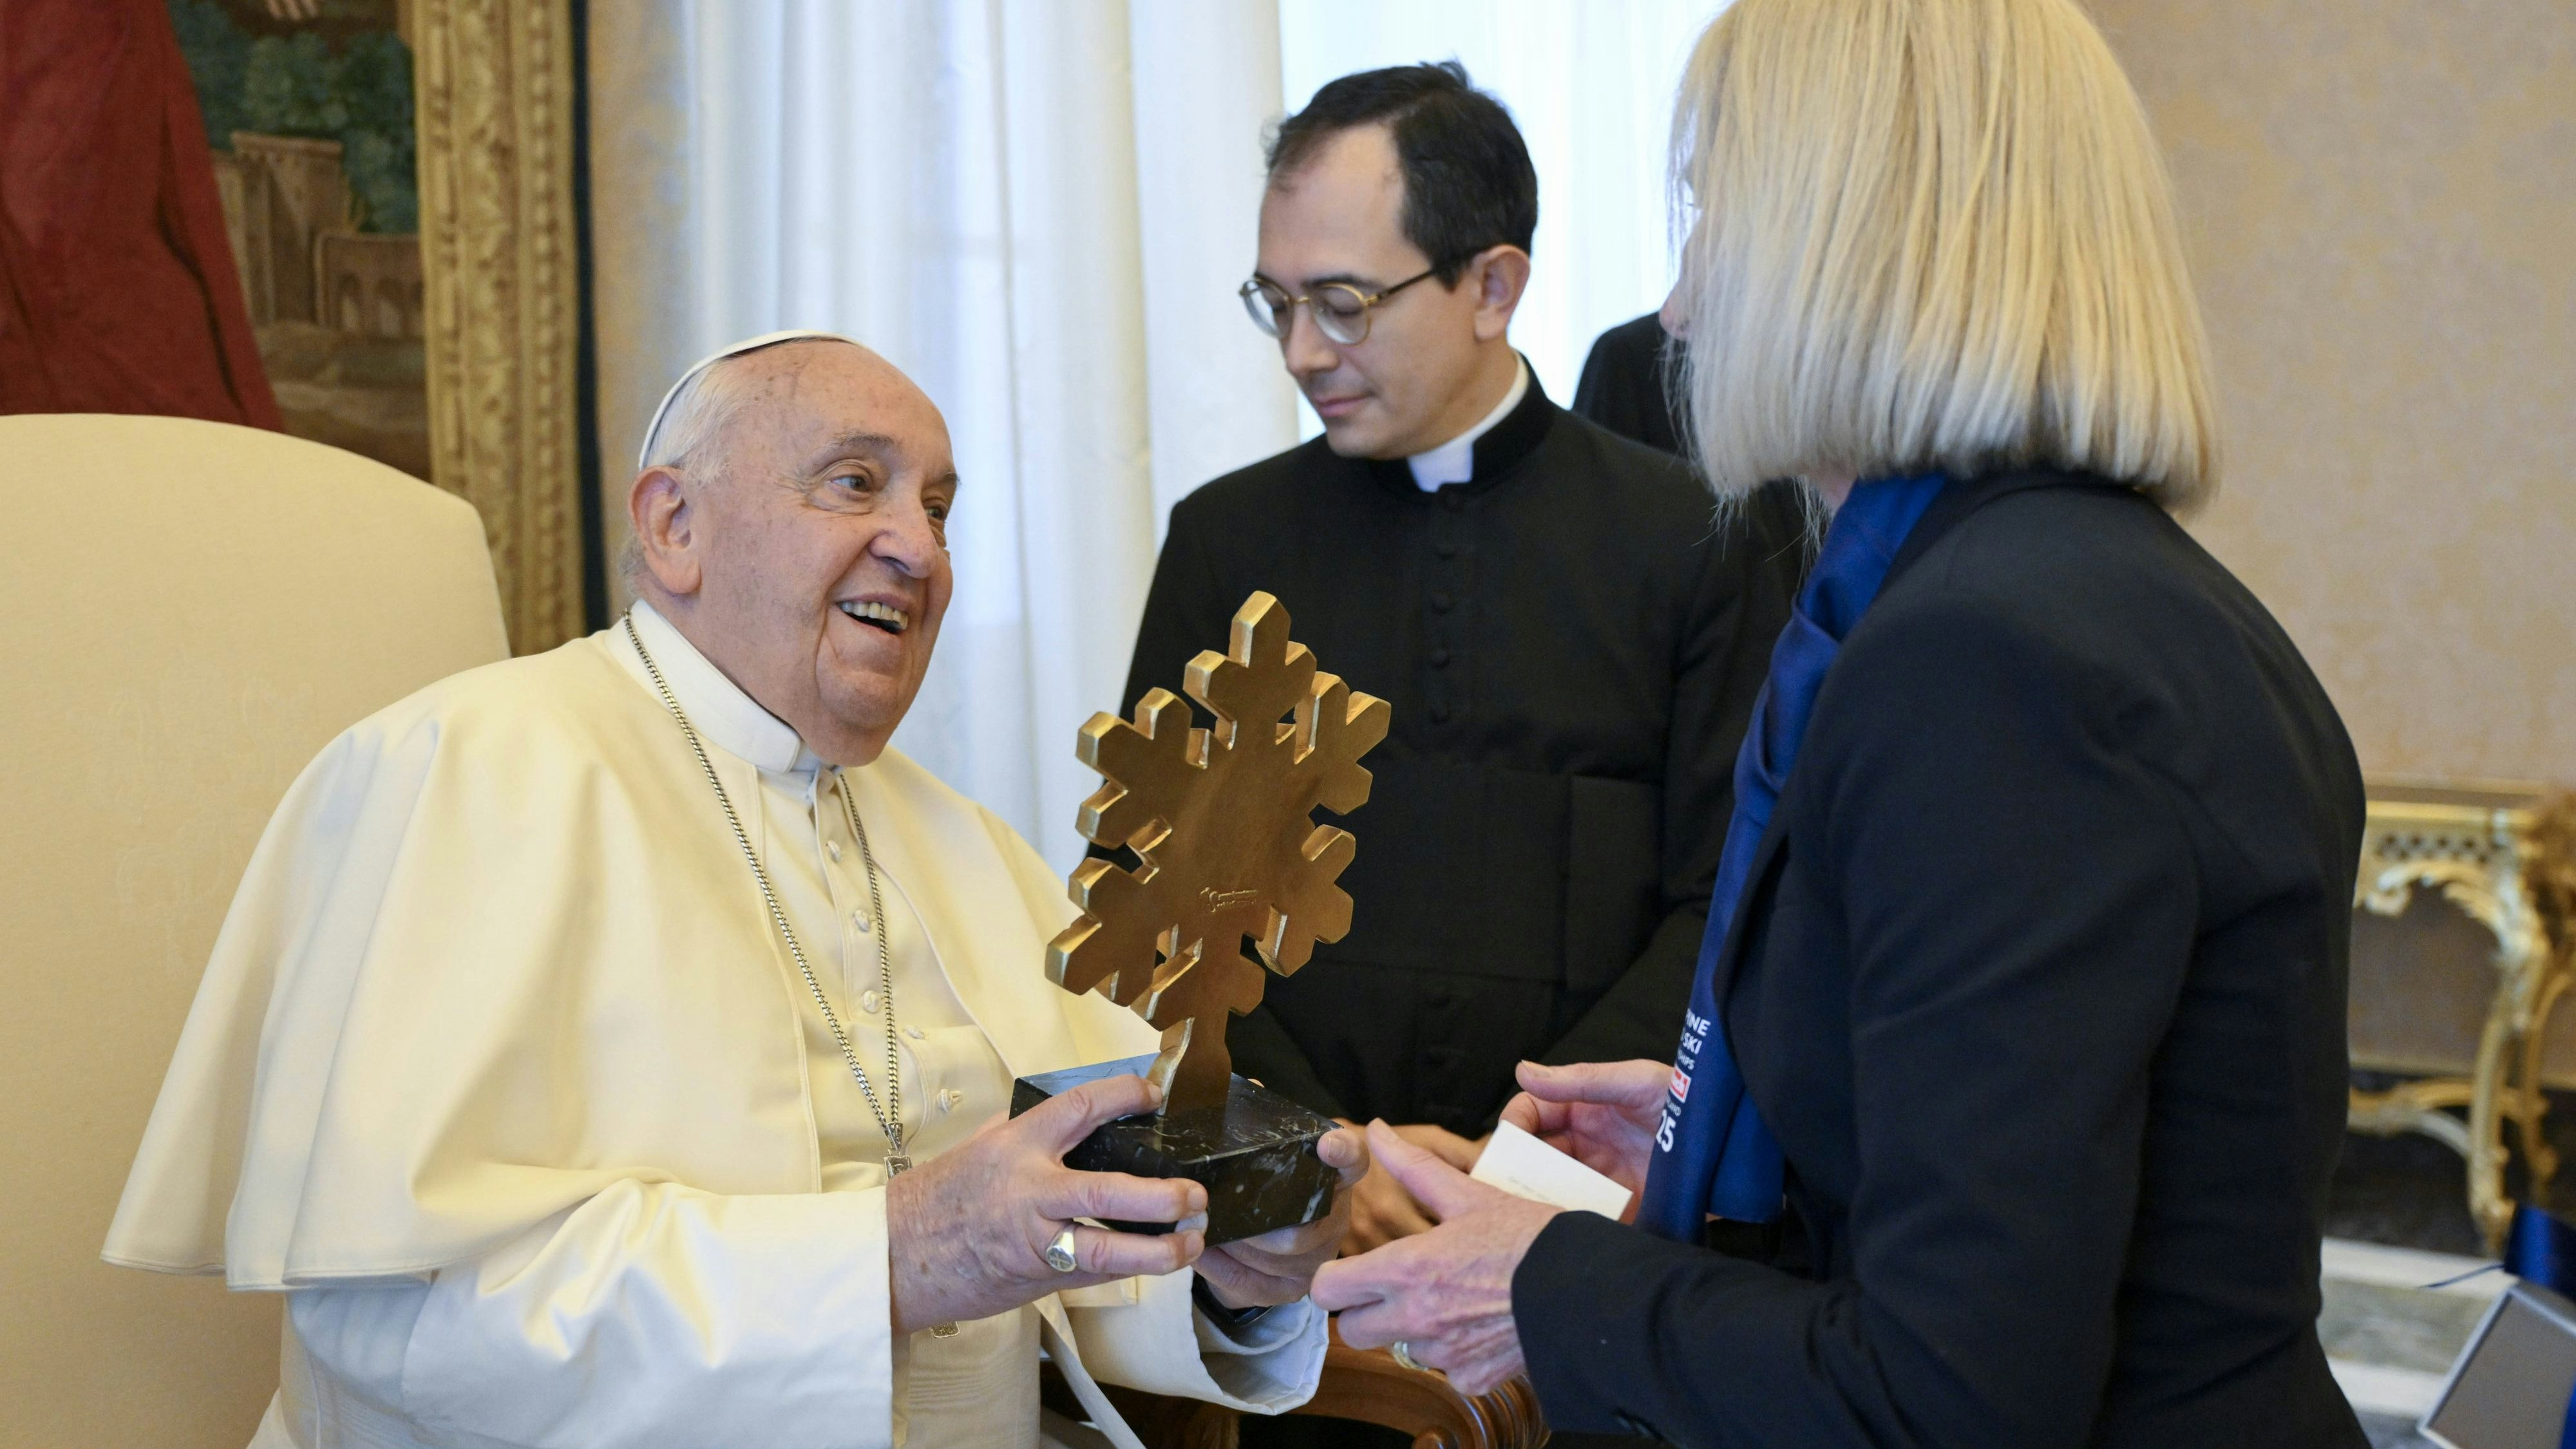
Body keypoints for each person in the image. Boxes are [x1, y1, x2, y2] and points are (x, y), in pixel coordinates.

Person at [1314, 3, 2371, 1446]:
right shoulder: (2111, 592)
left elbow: (1951, 1396)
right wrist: (1738, 1127)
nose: (1678, 311)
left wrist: (1546, 1284)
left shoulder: (1985, 657)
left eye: (1711, 219)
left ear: (1839, 250)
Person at [104, 332, 1363, 1449]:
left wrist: (1222, 1269)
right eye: (855, 482)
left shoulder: (957, 835)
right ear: (674, 527)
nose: (919, 547)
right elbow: (400, 1327)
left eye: (938, 507)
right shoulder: (467, 771)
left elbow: (1061, 1225)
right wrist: (888, 1257)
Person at [1122, 62, 1798, 1262]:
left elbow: (1725, 903)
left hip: (1585, 1216)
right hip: (1290, 1230)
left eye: (1342, 303)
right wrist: (1325, 1155)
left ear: (1493, 286)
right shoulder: (1227, 542)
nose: (1301, 352)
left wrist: (1523, 1161)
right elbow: (1165, 890)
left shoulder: (1699, 538)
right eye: (1276, 302)